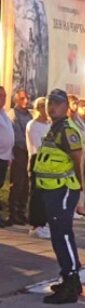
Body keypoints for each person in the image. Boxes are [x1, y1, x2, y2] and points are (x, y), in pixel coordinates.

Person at [30, 89, 84, 303]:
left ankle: (71, 281)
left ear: (66, 106)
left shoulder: (67, 130)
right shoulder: (55, 128)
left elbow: (79, 161)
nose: (52, 107)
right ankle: (69, 277)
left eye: (57, 103)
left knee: (62, 234)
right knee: (58, 234)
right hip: (52, 190)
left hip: (63, 189)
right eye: (50, 103)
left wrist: (83, 192)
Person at [25, 96, 51, 239]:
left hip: (50, 160)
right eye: (44, 107)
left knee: (47, 193)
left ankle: (44, 222)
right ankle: (36, 224)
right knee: (37, 193)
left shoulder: (49, 124)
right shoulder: (33, 125)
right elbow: (37, 145)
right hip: (38, 159)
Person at [9, 89, 33, 228]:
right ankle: (13, 213)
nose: (26, 101)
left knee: (26, 185)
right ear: (16, 100)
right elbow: (17, 136)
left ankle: (22, 212)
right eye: (23, 98)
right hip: (19, 152)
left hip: (28, 153)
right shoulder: (14, 114)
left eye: (27, 98)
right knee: (17, 183)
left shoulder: (29, 114)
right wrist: (27, 146)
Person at [0, 86, 14, 228]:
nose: (3, 98)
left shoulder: (4, 113)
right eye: (0, 95)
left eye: (4, 95)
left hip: (4, 156)